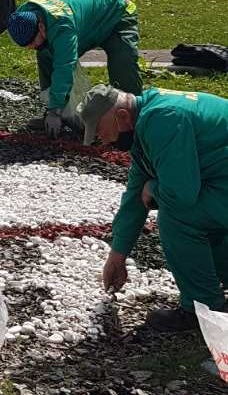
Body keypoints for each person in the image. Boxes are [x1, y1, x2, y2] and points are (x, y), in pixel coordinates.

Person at [78, 84, 228, 332]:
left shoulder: (162, 119)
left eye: (102, 132)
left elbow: (181, 194)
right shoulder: (147, 118)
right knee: (199, 215)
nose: (103, 141)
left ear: (122, 116)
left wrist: (154, 189)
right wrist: (118, 255)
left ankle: (201, 310)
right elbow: (135, 196)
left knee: (177, 217)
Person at [7, 0, 143, 139]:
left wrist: (54, 111)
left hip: (117, 14)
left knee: (123, 65)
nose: (31, 47)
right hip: (88, 23)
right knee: (45, 53)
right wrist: (54, 107)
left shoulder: (62, 26)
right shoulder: (23, 16)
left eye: (32, 41)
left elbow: (64, 67)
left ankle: (134, 120)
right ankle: (63, 113)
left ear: (41, 26)